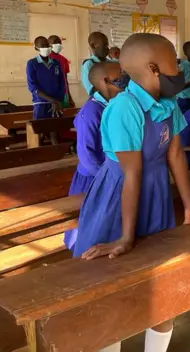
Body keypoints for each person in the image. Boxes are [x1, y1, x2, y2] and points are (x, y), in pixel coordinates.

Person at [74, 33, 190, 352]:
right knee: (111, 288)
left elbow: (175, 154)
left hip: (153, 191)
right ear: (153, 68)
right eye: (172, 62)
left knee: (160, 282)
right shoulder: (125, 107)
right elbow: (130, 173)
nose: (178, 69)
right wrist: (125, 236)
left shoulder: (168, 102)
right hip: (118, 195)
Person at [65, 61, 125, 250]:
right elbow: (87, 155)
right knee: (89, 226)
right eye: (119, 79)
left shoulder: (116, 104)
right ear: (104, 82)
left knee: (108, 222)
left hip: (112, 174)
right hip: (94, 177)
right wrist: (106, 178)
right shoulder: (91, 111)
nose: (125, 83)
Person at [26, 36, 66, 120]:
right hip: (41, 103)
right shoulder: (32, 63)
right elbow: (33, 87)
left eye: (47, 45)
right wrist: (51, 100)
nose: (46, 48)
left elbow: (62, 82)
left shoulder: (56, 63)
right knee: (41, 130)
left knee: (56, 130)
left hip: (57, 103)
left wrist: (58, 100)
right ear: (36, 48)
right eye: (42, 46)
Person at [48, 35, 75, 108]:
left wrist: (69, 96)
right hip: (49, 95)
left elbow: (65, 80)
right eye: (55, 42)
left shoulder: (64, 60)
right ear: (49, 44)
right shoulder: (46, 59)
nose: (58, 44)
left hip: (63, 94)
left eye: (59, 42)